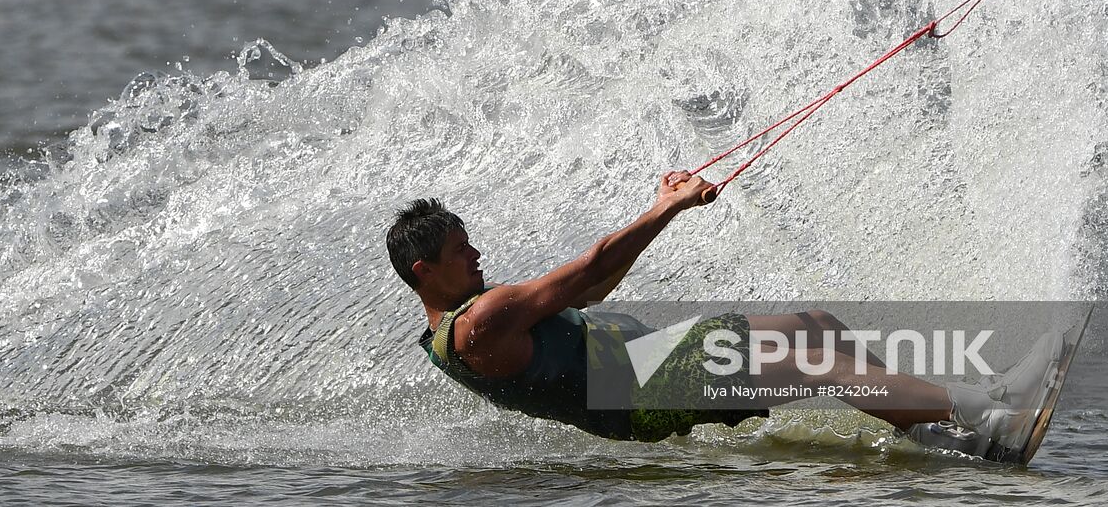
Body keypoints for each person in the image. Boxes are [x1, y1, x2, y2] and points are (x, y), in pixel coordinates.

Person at [389, 170, 1061, 456]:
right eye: (459, 248)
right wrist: (668, 207)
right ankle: (992, 406)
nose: (475, 252)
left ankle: (960, 440)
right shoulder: (480, 324)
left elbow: (592, 290)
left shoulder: (472, 316)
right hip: (637, 394)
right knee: (815, 365)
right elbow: (591, 267)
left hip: (648, 363)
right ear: (424, 270)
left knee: (814, 326)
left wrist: (661, 209)